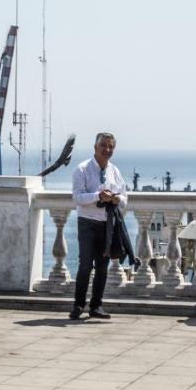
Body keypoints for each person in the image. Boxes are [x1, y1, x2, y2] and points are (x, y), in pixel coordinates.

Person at [70, 132, 128, 320]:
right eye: (103, 145)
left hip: (107, 225)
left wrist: (117, 198)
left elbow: (124, 199)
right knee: (85, 266)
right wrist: (98, 196)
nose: (107, 150)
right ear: (95, 147)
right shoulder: (82, 169)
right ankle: (78, 305)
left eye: (111, 146)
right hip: (87, 223)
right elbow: (77, 197)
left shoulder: (115, 171)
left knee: (103, 267)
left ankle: (96, 306)